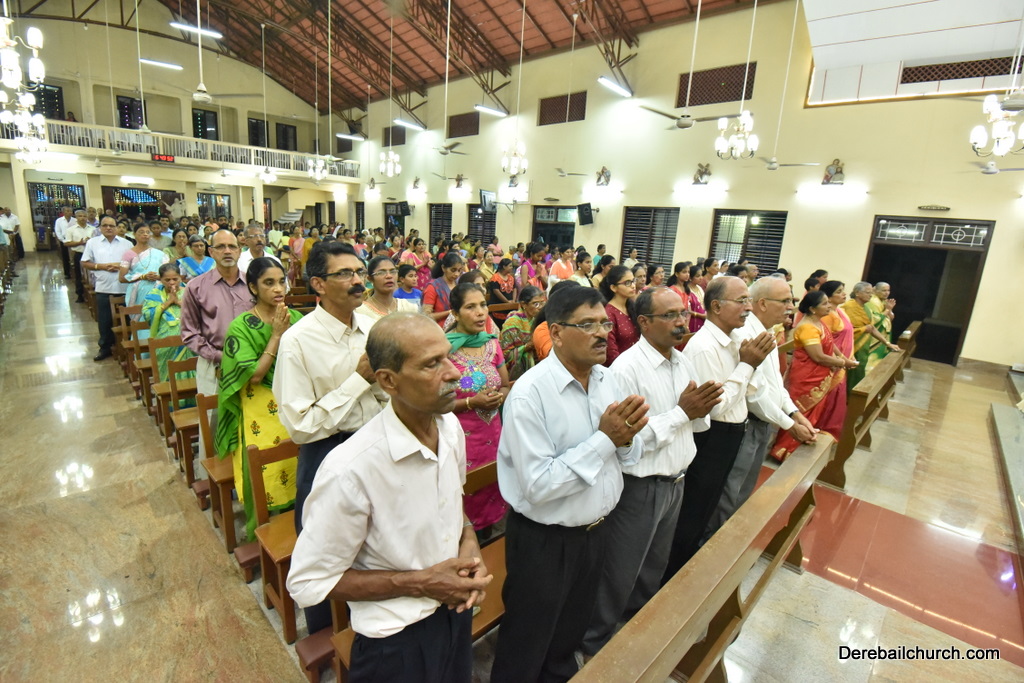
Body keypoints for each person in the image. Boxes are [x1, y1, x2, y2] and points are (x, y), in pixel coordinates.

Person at [287, 313, 491, 683]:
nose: (453, 372)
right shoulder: (351, 468)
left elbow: (453, 500)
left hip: (455, 614)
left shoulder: (449, 429)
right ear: (388, 380)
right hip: (397, 642)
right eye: (431, 364)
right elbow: (308, 581)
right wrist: (420, 583)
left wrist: (468, 540)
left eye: (448, 357)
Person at [491, 285, 649, 683]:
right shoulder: (530, 394)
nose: (601, 334)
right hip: (545, 540)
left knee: (569, 634)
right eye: (587, 325)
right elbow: (538, 485)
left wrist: (625, 440)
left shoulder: (607, 380)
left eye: (604, 324)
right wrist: (606, 439)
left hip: (595, 531)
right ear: (557, 332)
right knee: (527, 641)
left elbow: (628, 457)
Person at [581, 288, 722, 657]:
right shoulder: (626, 370)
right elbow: (629, 441)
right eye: (670, 315)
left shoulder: (682, 362)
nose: (681, 321)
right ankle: (595, 648)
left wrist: (695, 410)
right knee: (620, 572)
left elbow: (696, 424)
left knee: (652, 568)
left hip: (676, 481)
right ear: (644, 322)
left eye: (684, 313)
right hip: (640, 487)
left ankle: (637, 637)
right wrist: (681, 413)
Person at [273, 241, 388, 634]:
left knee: (377, 541)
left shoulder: (372, 328)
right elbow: (300, 425)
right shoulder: (298, 341)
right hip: (327, 453)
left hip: (376, 444)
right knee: (325, 552)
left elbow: (385, 393)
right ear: (319, 284)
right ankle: (326, 636)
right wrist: (358, 380)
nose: (358, 281)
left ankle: (372, 625)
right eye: (345, 274)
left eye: (359, 272)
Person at [663, 276, 776, 581]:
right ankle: (672, 578)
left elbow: (750, 388)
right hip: (711, 438)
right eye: (741, 301)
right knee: (694, 510)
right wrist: (747, 365)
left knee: (711, 506)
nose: (748, 307)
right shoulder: (704, 347)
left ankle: (690, 568)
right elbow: (714, 407)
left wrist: (750, 365)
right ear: (715, 306)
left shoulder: (737, 339)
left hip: (732, 434)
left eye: (748, 300)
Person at [704, 276, 817, 539]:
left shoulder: (766, 331)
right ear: (763, 303)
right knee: (729, 493)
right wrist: (790, 425)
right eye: (785, 301)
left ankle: (730, 542)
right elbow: (753, 395)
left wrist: (794, 412)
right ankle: (713, 547)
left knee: (743, 490)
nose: (791, 307)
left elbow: (774, 383)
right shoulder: (745, 333)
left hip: (762, 422)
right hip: (745, 423)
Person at [216, 258, 303, 541]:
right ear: (253, 287)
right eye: (269, 283)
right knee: (266, 469)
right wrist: (276, 335)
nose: (278, 289)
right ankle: (265, 533)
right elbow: (254, 375)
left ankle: (298, 527)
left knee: (298, 466)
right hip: (260, 410)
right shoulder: (241, 327)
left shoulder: (297, 319)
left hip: (295, 403)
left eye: (281, 281)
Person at [447, 283, 510, 533]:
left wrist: (499, 397)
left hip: (493, 435)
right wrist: (472, 402)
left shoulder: (492, 344)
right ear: (455, 313)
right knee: (464, 495)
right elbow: (434, 403)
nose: (480, 312)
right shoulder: (443, 351)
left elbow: (505, 385)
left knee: (492, 488)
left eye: (483, 304)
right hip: (461, 439)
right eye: (470, 307)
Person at [772, 290, 857, 461]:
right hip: (806, 377)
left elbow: (830, 344)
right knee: (802, 411)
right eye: (824, 303)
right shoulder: (807, 328)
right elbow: (817, 356)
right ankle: (784, 450)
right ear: (812, 308)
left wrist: (842, 357)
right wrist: (843, 363)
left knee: (814, 412)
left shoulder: (819, 322)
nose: (829, 306)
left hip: (819, 375)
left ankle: (802, 444)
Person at [181, 228, 251, 404]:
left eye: (232, 246)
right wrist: (220, 357)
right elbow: (190, 333)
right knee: (214, 416)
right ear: (211, 252)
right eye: (220, 247)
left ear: (239, 251)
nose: (227, 251)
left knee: (253, 415)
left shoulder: (253, 284)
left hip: (251, 363)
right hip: (213, 365)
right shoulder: (196, 287)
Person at [81, 217, 131, 361]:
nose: (108, 228)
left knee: (126, 319)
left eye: (112, 226)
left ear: (116, 227)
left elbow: (134, 263)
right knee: (104, 320)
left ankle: (126, 346)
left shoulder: (127, 243)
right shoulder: (93, 243)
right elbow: (85, 262)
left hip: (123, 287)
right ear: (100, 228)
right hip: (103, 287)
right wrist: (101, 266)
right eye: (105, 225)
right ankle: (105, 348)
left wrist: (119, 266)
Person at [141, 264, 196, 384]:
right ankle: (170, 391)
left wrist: (178, 302)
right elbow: (147, 314)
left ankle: (193, 391)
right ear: (160, 279)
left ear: (180, 278)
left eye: (175, 279)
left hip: (190, 333)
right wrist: (168, 302)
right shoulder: (154, 294)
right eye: (167, 280)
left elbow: (200, 311)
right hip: (164, 336)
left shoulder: (190, 291)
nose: (172, 283)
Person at [841, 282, 900, 389]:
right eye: (868, 292)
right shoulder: (850, 307)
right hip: (852, 347)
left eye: (871, 293)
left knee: (859, 374)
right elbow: (844, 330)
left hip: (863, 347)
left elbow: (872, 328)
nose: (870, 295)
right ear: (857, 293)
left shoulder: (866, 308)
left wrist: (887, 343)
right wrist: (864, 329)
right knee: (848, 377)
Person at [499, 285, 545, 381]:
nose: (540, 307)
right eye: (536, 304)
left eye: (542, 303)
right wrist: (527, 347)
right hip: (518, 370)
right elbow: (505, 355)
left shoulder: (538, 319)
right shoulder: (512, 323)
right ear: (524, 304)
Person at [357, 256, 420, 325]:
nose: (389, 276)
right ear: (370, 279)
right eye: (381, 272)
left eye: (393, 271)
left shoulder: (409, 307)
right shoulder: (360, 312)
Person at [599, 265, 640, 366]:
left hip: (636, 363)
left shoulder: (631, 307)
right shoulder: (608, 313)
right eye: (627, 283)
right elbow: (611, 352)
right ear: (613, 287)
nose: (633, 286)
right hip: (619, 368)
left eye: (633, 281)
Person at [820, 280, 856, 396]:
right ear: (829, 298)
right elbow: (826, 340)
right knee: (830, 393)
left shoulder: (841, 311)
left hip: (843, 359)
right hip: (833, 360)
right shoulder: (827, 316)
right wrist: (841, 359)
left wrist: (851, 355)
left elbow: (849, 335)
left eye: (843, 291)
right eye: (839, 292)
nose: (844, 294)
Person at [422, 252, 466, 326]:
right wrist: (450, 312)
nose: (457, 274)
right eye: (453, 270)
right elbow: (426, 316)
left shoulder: (459, 285)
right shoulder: (433, 286)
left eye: (459, 270)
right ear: (443, 268)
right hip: (438, 329)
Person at [865, 281, 897, 373]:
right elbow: (875, 320)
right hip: (874, 336)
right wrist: (887, 309)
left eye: (888, 290)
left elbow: (890, 318)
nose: (887, 293)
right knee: (871, 364)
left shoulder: (884, 301)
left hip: (883, 335)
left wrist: (889, 309)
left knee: (879, 363)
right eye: (884, 290)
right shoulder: (872, 301)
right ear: (875, 290)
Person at [64, 211, 95, 303]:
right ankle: (80, 294)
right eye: (80, 216)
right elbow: (67, 243)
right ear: (76, 218)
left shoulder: (93, 229)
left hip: (92, 255)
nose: (82, 218)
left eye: (84, 216)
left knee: (92, 274)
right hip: (79, 254)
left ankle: (93, 293)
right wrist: (79, 243)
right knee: (79, 275)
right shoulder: (71, 230)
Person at [487, 258, 516, 325]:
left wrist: (513, 301)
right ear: (504, 267)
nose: (512, 267)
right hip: (498, 307)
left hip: (510, 306)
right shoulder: (495, 278)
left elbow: (515, 289)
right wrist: (507, 302)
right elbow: (496, 291)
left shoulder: (511, 277)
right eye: (510, 266)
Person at [55, 206, 75, 279]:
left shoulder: (75, 220)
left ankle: (74, 272)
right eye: (67, 211)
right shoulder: (59, 220)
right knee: (65, 257)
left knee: (74, 257)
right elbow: (58, 231)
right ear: (63, 212)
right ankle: (67, 273)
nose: (69, 212)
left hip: (74, 241)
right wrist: (62, 240)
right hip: (64, 240)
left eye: (70, 211)